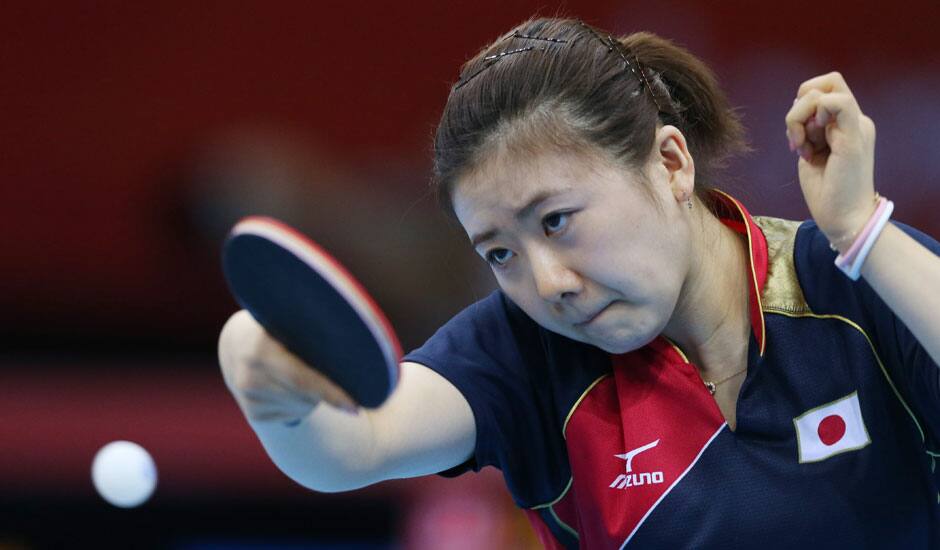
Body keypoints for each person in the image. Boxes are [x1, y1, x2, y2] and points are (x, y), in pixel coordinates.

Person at [218, 17, 940, 548]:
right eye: (499, 253)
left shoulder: (849, 279)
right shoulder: (523, 354)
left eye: (557, 220)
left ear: (670, 162)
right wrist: (263, 368)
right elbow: (357, 444)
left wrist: (860, 230)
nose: (547, 282)